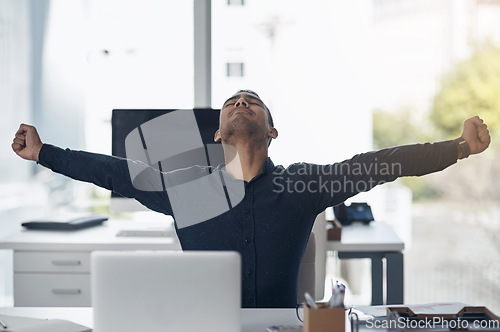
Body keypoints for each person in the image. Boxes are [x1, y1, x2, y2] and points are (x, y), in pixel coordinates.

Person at [12, 90, 491, 308]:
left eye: (253, 102)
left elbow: (381, 162)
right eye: (232, 103)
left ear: (272, 130)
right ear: (219, 131)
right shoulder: (190, 190)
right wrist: (44, 154)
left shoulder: (303, 187)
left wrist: (460, 147)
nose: (241, 103)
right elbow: (115, 171)